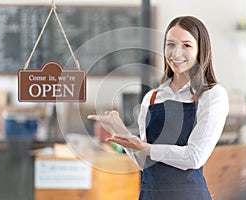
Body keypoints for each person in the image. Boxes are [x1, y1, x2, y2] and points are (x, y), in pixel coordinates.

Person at [88, 16, 229, 200]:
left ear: (201, 50)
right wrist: (119, 128)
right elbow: (145, 162)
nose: (176, 54)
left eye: (186, 45)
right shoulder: (152, 97)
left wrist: (145, 147)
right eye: (170, 44)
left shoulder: (212, 95)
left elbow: (194, 157)